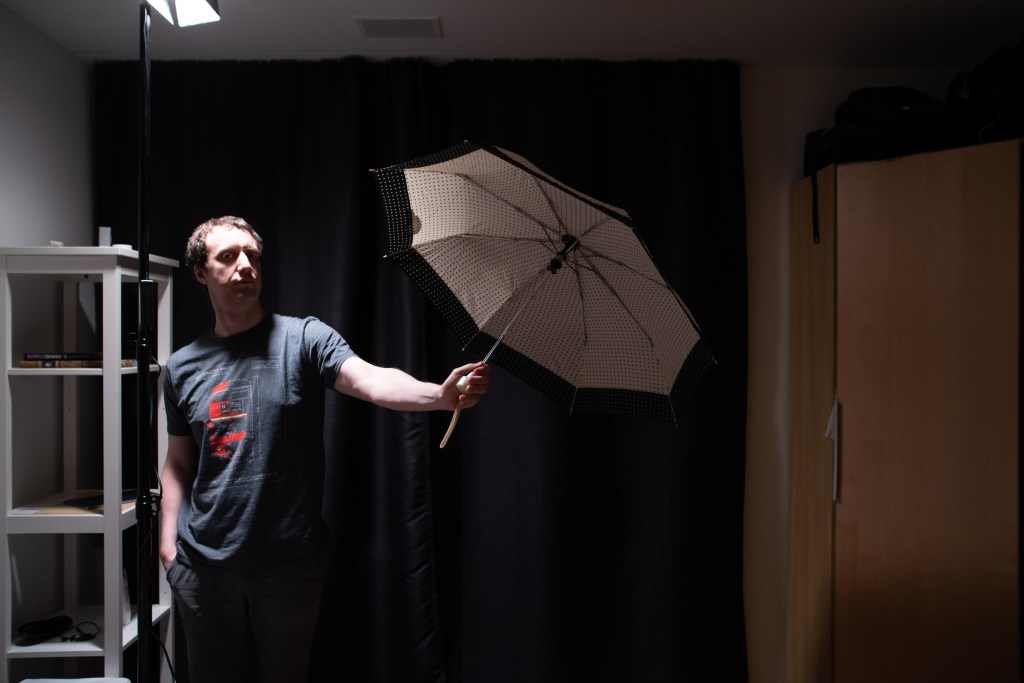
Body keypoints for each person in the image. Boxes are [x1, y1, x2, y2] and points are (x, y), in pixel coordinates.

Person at [159, 215, 488, 683]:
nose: (244, 266)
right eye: (227, 257)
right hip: (203, 567)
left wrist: (439, 395)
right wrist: (170, 546)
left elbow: (371, 380)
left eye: (252, 255)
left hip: (289, 565)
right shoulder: (181, 367)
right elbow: (177, 462)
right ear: (199, 272)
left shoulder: (304, 338)